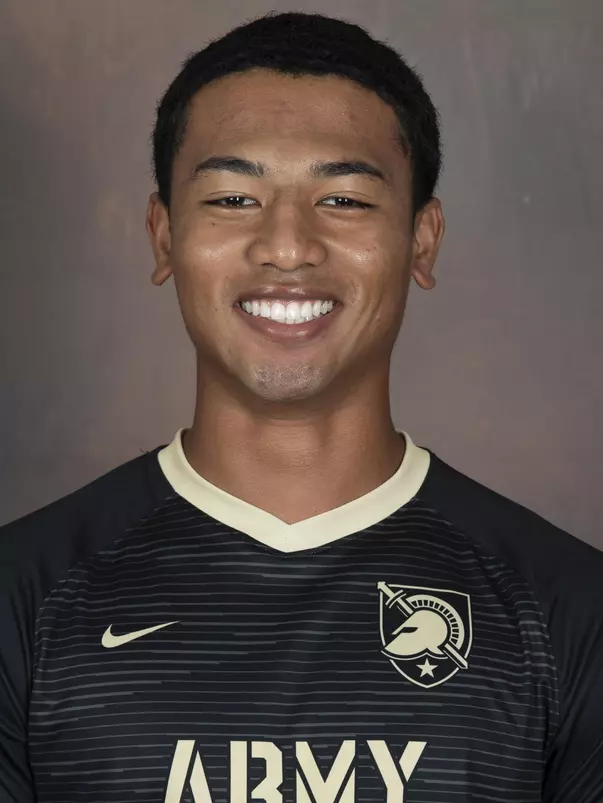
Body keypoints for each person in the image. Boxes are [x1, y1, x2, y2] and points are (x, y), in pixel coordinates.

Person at [1, 10, 601, 803]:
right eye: (233, 198)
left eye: (344, 199)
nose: (287, 245)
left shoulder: (566, 606)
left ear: (422, 241)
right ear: (162, 235)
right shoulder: (25, 597)